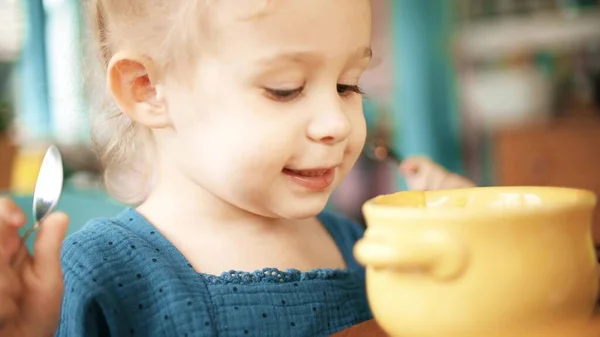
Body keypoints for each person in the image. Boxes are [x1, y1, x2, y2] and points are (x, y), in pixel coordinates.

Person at [0, 1, 475, 336]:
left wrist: (474, 246)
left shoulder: (364, 249)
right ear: (147, 88)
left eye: (349, 85)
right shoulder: (96, 276)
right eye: (285, 89)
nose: (337, 123)